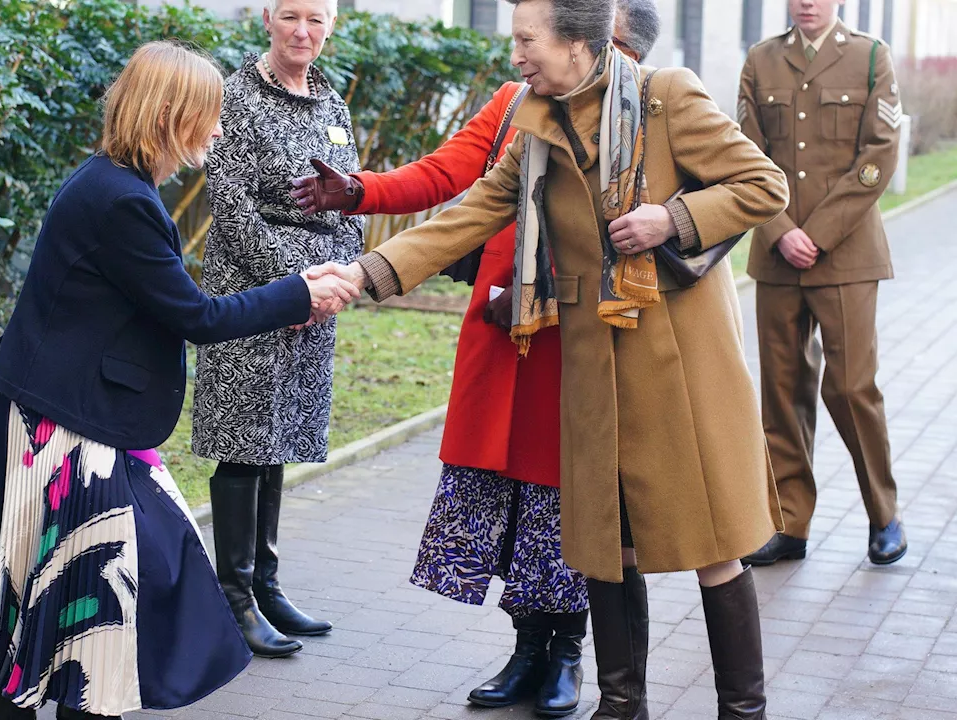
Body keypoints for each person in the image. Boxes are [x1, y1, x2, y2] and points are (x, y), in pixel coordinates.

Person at [307, 0, 791, 717]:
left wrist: (672, 218)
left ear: (576, 43)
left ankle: (741, 711)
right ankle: (621, 707)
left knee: (713, 542)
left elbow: (764, 185)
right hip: (593, 371)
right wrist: (365, 274)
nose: (516, 56)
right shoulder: (536, 120)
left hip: (680, 368)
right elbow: (468, 214)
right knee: (609, 547)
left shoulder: (668, 98)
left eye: (527, 40)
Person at [0, 41, 360, 720]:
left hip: (70, 410)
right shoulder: (120, 199)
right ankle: (59, 699)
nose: (220, 127)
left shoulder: (116, 183)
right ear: (173, 115)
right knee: (95, 571)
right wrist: (299, 293)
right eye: (210, 113)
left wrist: (297, 289)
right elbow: (193, 315)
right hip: (61, 419)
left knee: (75, 567)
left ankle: (22, 695)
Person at [287, 3, 660, 715]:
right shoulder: (514, 102)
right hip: (500, 332)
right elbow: (448, 177)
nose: (528, 56)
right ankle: (525, 651)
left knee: (565, 503)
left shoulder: (639, 112)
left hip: (578, 338)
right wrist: (361, 190)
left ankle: (566, 657)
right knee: (508, 504)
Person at [191, 0, 365, 659]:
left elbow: (351, 194)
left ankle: (265, 584)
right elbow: (231, 206)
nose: (303, 31)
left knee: (281, 435)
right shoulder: (234, 94)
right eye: (291, 15)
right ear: (267, 17)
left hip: (316, 294)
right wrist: (298, 284)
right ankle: (232, 597)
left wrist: (341, 275)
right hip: (252, 293)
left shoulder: (330, 101)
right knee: (244, 439)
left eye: (316, 18)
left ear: (331, 24)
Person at [738, 0, 906, 567]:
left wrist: (820, 234)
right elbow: (745, 157)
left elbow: (878, 157)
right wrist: (782, 231)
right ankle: (788, 524)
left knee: (853, 388)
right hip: (779, 256)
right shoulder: (761, 61)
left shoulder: (869, 58)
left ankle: (884, 515)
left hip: (848, 255)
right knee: (781, 393)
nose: (806, 1)